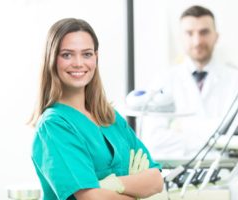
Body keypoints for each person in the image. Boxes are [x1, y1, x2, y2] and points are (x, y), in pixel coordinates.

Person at [30, 18, 163, 200]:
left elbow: (156, 180)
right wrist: (136, 190)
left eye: (87, 54)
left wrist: (113, 184)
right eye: (67, 55)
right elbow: (91, 198)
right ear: (52, 59)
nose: (78, 63)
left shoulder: (110, 118)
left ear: (96, 57)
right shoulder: (54, 126)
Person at [141, 5, 238, 159]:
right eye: (189, 33)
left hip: (225, 175)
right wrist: (215, 134)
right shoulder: (163, 80)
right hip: (177, 176)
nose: (197, 41)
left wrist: (183, 128)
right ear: (180, 38)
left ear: (216, 36)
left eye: (204, 32)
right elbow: (153, 141)